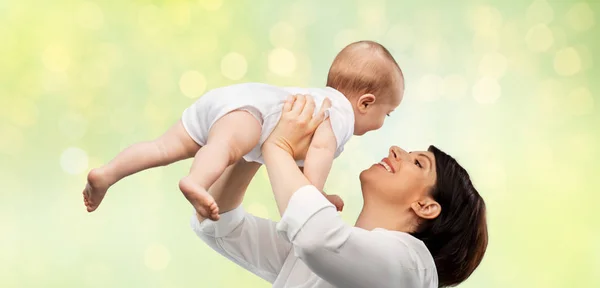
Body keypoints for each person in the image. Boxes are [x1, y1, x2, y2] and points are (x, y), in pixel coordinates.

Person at [192, 95, 488, 288]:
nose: (397, 150)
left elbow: (316, 238)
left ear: (425, 206)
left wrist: (278, 145)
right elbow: (221, 225)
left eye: (418, 162)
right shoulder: (323, 255)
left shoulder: (413, 270)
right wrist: (258, 140)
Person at [82, 41, 404, 219]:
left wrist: (317, 190)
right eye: (386, 114)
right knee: (223, 148)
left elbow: (291, 161)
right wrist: (314, 194)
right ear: (365, 102)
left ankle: (107, 174)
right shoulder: (341, 115)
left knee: (162, 148)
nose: (381, 123)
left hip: (230, 99)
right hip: (252, 115)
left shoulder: (317, 99)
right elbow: (319, 154)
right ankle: (197, 180)